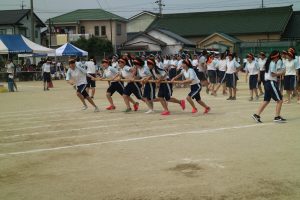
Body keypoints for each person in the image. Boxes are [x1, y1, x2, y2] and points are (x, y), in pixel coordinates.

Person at [252, 50, 286, 123]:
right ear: (276, 57)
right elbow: (273, 75)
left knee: (266, 100)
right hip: (271, 83)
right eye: (278, 57)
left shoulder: (268, 62)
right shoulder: (273, 63)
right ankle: (277, 117)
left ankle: (257, 115)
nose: (278, 59)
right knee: (280, 100)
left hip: (267, 83)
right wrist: (282, 72)